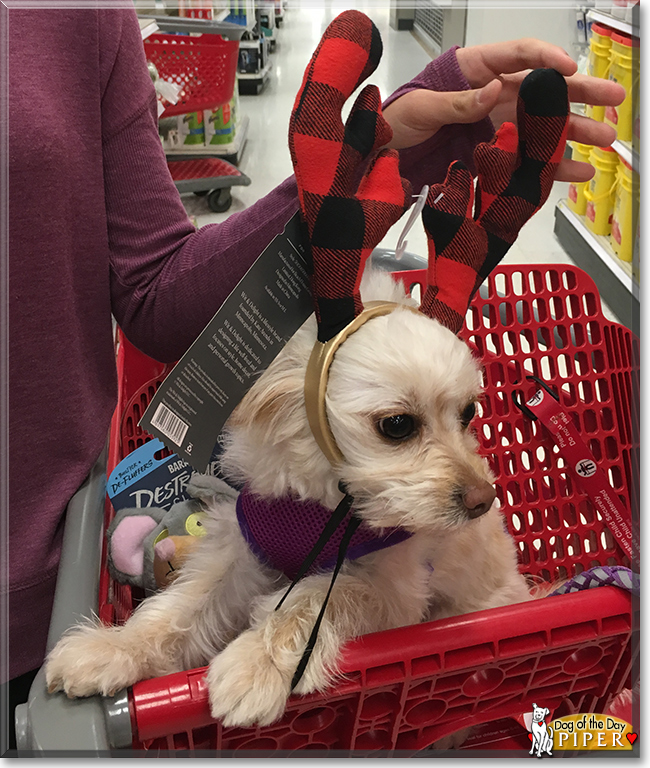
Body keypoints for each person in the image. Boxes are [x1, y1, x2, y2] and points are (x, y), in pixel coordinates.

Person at [2, 4, 624, 752]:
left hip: (454, 666)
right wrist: (147, 643)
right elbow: (237, 557)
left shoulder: (78, 20)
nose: (474, 477)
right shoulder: (279, 443)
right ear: (281, 407)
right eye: (400, 426)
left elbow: (159, 294)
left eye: (465, 416)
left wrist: (400, 145)